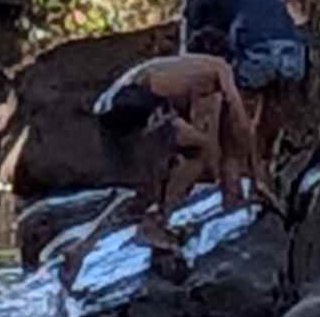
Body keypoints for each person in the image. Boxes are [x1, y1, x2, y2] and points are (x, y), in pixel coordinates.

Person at [172, 0, 308, 172]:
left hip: (259, 57)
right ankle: (265, 164)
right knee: (268, 105)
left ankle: (233, 168)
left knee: (229, 103)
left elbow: (186, 59)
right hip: (294, 55)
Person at [95, 49, 263, 223]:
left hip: (111, 104)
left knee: (182, 151)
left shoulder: (190, 67)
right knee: (200, 150)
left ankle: (147, 205)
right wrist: (257, 176)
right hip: (133, 100)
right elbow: (240, 122)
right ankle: (159, 215)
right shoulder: (222, 68)